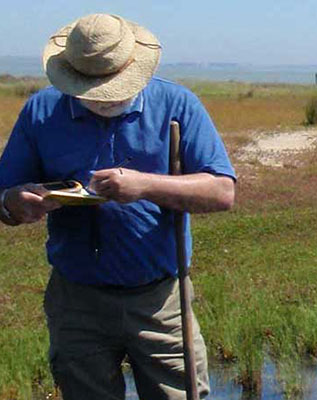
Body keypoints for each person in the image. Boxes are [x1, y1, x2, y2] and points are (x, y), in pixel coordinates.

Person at [0, 14, 236, 399]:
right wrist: (14, 203)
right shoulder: (41, 113)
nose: (103, 98)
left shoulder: (178, 105)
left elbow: (222, 192)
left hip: (160, 300)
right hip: (76, 301)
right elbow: (4, 194)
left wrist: (144, 186)